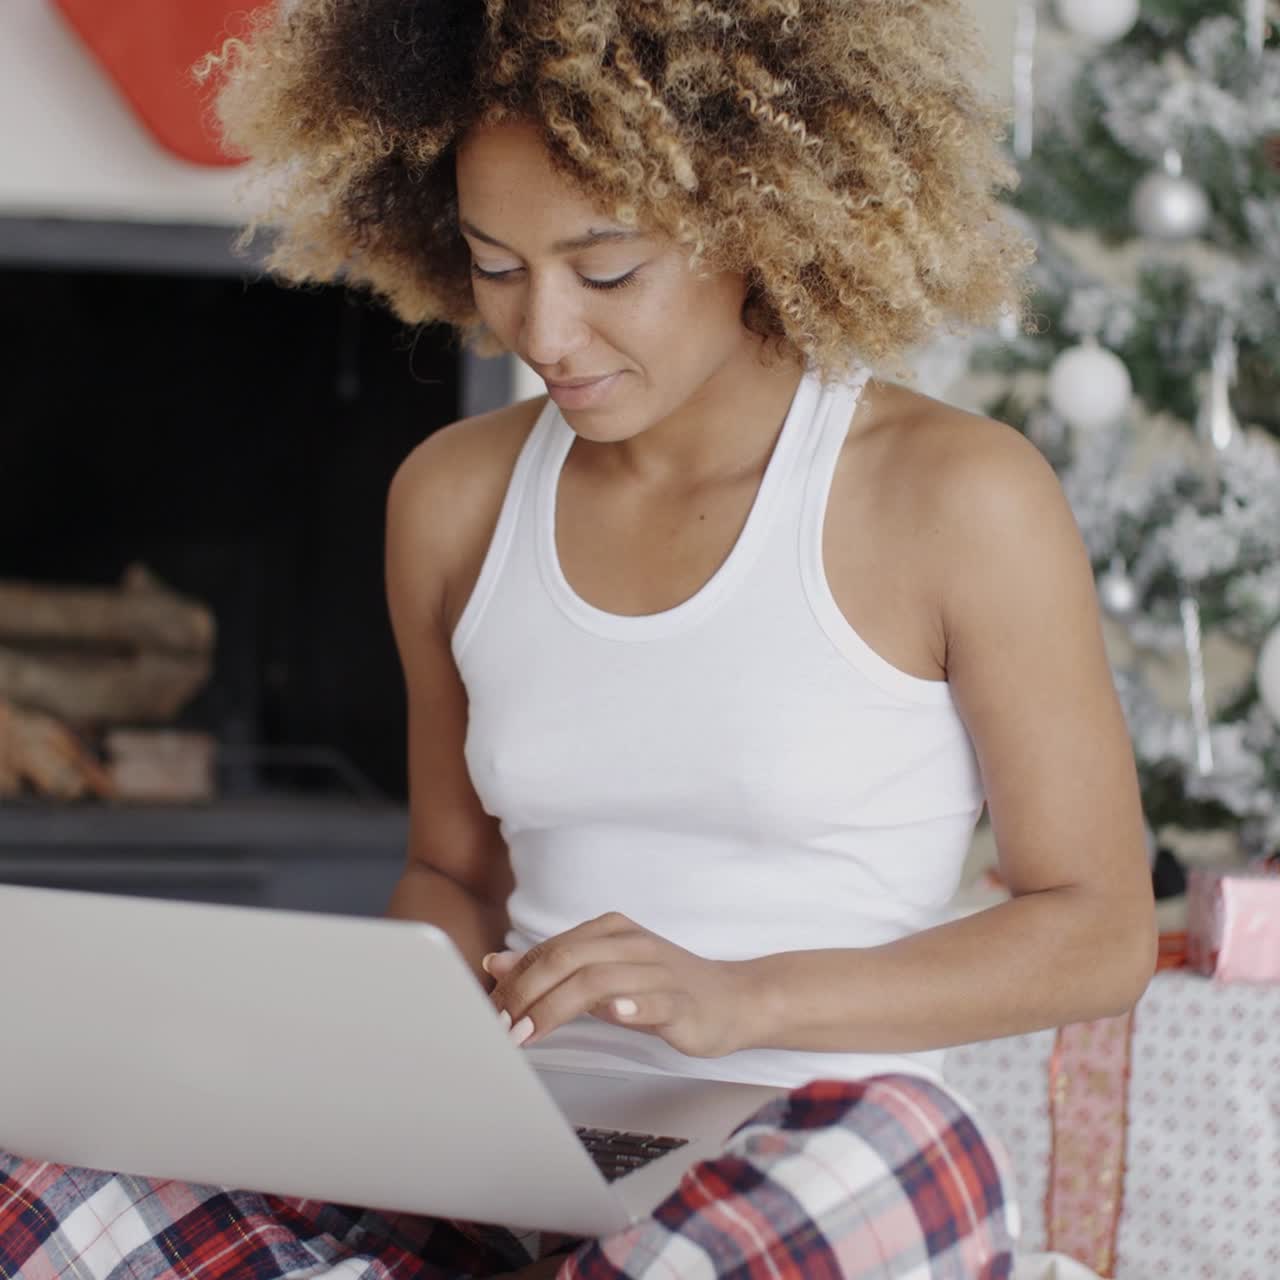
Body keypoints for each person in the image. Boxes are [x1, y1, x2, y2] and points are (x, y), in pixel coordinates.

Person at [0, 1, 1158, 1277]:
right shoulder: (448, 499)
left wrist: (740, 996)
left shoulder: (958, 495)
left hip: (799, 1153)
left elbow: (1096, 929)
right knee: (41, 1156)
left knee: (897, 1147)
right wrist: (361, 1059)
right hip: (515, 1143)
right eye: (497, 267)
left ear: (751, 217)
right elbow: (450, 874)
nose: (542, 333)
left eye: (605, 271)